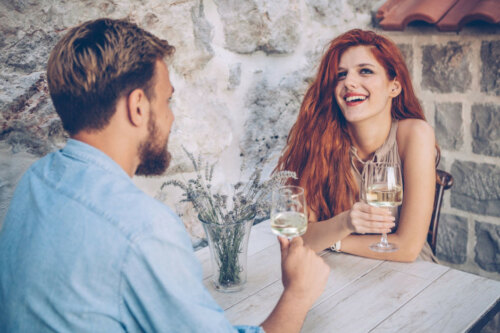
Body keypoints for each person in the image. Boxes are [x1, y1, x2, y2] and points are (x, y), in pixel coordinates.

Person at [0, 18, 329, 332]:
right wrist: (298, 294)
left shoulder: (36, 181)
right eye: (167, 100)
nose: (171, 118)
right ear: (139, 106)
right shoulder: (143, 226)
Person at [276, 29, 437, 262]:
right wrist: (345, 222)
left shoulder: (414, 135)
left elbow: (408, 248)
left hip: (412, 279)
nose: (349, 82)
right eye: (341, 75)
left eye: (365, 71)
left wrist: (333, 240)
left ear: (394, 87)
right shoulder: (321, 139)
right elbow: (299, 237)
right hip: (346, 275)